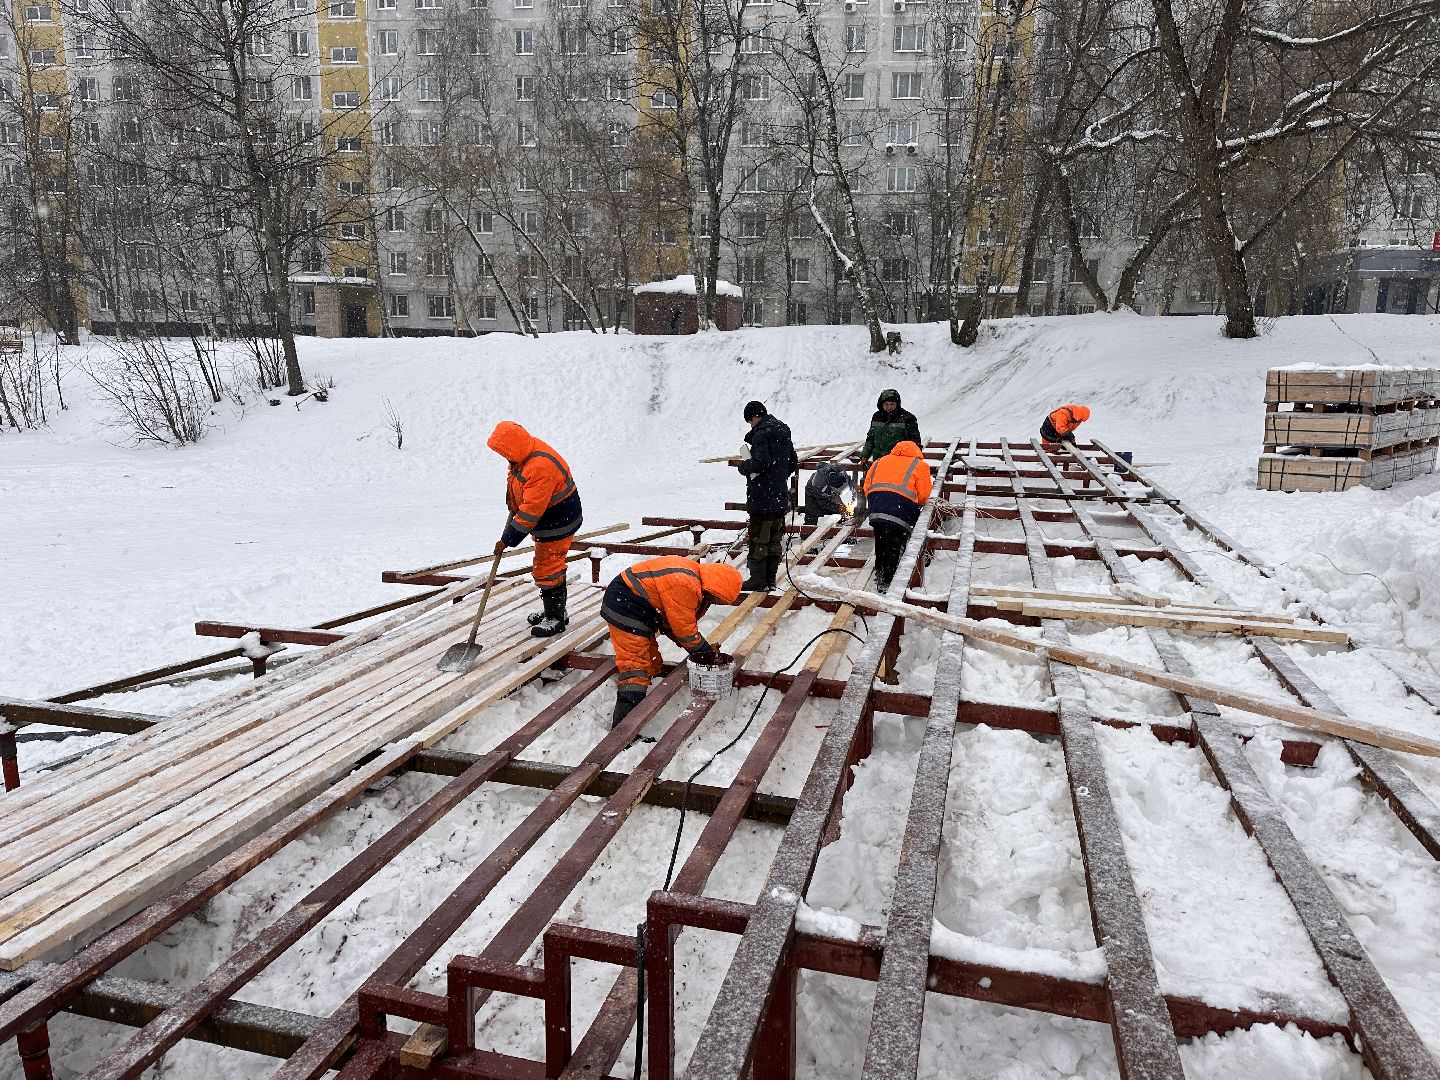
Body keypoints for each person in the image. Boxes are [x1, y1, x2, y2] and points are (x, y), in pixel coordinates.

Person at [601, 556, 744, 726]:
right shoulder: (686, 584)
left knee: (654, 665)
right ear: (714, 589)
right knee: (636, 668)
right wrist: (706, 654)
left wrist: (700, 650)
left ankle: (640, 705)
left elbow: (673, 623)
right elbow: (685, 632)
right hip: (625, 605)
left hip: (639, 606)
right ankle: (623, 730)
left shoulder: (693, 576)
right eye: (716, 599)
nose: (714, 602)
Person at [486, 420, 583, 638]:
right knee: (549, 565)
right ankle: (555, 610)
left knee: (547, 568)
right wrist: (512, 500)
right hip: (550, 518)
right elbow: (518, 482)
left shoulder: (539, 465)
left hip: (559, 521)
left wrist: (508, 539)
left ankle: (556, 618)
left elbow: (531, 510)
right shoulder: (524, 454)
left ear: (513, 446)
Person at [735, 400, 798, 592]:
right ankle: (770, 579)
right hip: (778, 494)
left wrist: (744, 467)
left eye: (750, 421)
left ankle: (757, 580)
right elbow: (792, 461)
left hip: (762, 496)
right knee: (774, 538)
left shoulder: (762, 433)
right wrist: (778, 478)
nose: (750, 425)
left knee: (758, 537)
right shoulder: (783, 430)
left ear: (755, 416)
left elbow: (760, 462)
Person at [862, 440, 933, 595]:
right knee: (894, 542)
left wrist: (880, 501)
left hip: (877, 504)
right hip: (901, 507)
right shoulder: (920, 465)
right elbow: (923, 495)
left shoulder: (880, 460)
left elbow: (867, 486)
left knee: (881, 539)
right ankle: (887, 580)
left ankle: (880, 571)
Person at [857, 389, 923, 473]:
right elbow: (870, 439)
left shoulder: (907, 418)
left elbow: (915, 444)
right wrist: (865, 455)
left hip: (898, 465)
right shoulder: (877, 416)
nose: (889, 407)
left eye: (892, 404)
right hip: (878, 462)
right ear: (881, 404)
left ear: (897, 404)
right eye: (886, 404)